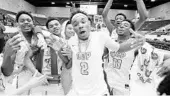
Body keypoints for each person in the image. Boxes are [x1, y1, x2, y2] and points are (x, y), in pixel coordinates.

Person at [58, 10, 145, 96]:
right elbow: (68, 66)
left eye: (83, 22)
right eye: (75, 24)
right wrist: (59, 51)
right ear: (73, 28)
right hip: (77, 91)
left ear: (90, 23)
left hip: (99, 91)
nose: (80, 26)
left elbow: (119, 48)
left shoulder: (100, 36)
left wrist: (137, 41)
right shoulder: (71, 42)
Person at [1, 11, 47, 95]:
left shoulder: (39, 36)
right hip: (20, 74)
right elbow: (9, 62)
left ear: (33, 22)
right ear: (17, 23)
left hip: (40, 71)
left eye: (28, 20)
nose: (26, 22)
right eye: (22, 21)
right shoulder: (14, 39)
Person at [104, 19, 141, 95]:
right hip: (107, 80)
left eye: (125, 25)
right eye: (120, 25)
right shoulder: (110, 42)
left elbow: (161, 55)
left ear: (131, 31)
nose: (121, 26)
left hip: (122, 83)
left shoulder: (135, 44)